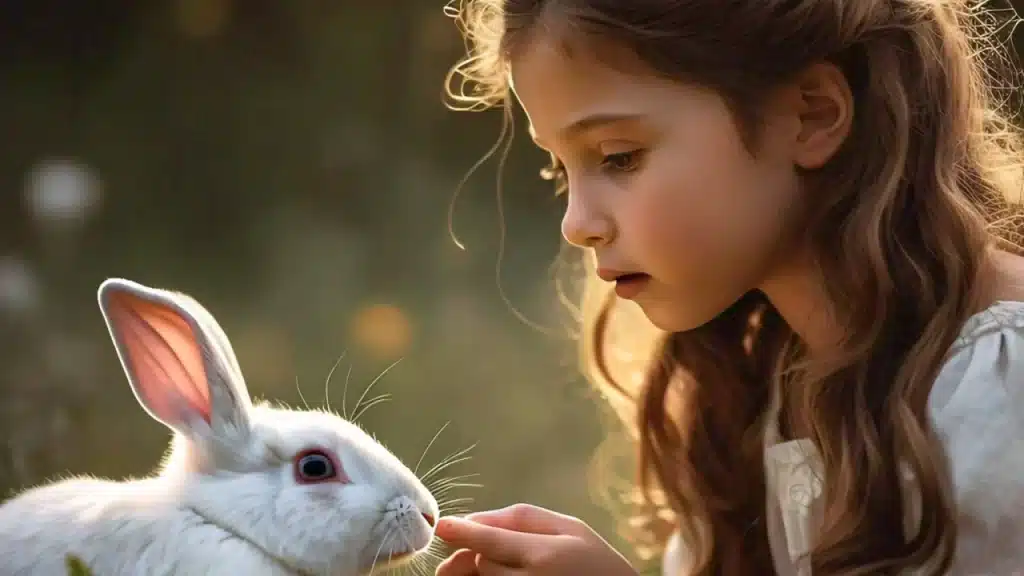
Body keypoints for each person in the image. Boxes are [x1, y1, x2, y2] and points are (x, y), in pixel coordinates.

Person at [436, 0, 1024, 574]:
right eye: (560, 169)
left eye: (618, 157)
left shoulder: (1002, 390)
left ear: (812, 115)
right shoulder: (755, 395)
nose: (577, 224)